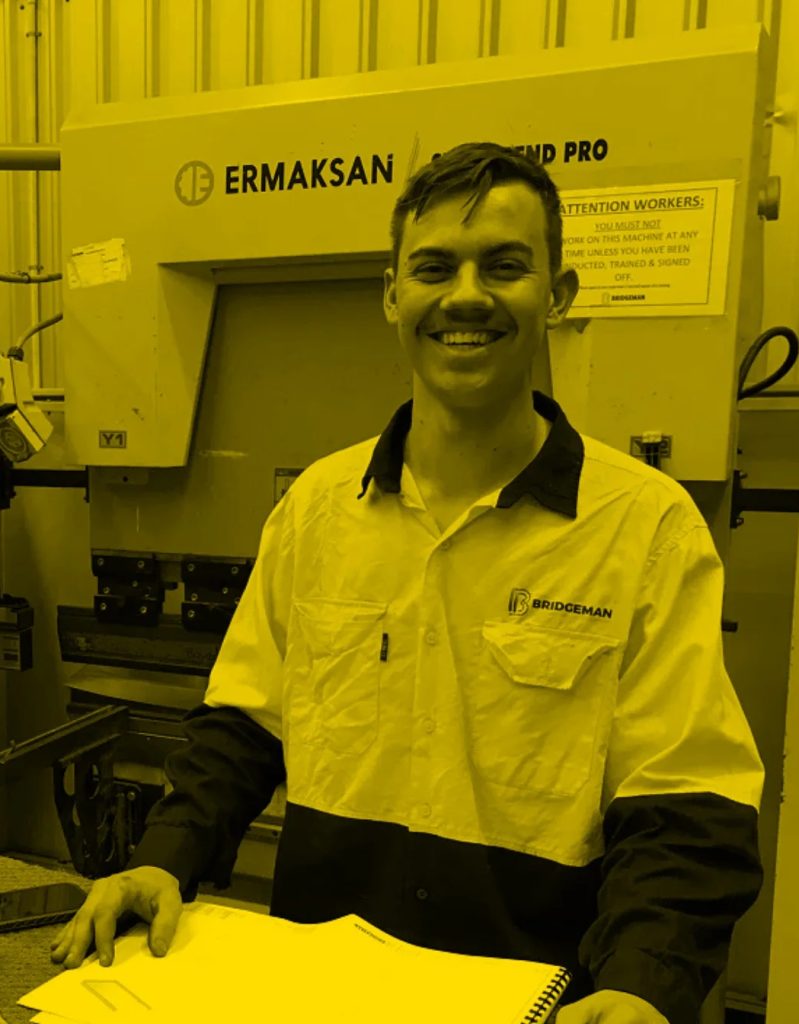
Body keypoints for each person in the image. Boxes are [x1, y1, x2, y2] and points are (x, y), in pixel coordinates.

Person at [50, 143, 764, 1024]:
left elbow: (685, 802)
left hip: (539, 998)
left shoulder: (644, 527)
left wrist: (639, 984)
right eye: (434, 268)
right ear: (392, 294)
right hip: (318, 995)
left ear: (558, 294)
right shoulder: (318, 508)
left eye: (503, 266)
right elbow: (243, 725)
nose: (465, 295)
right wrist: (163, 859)